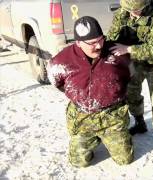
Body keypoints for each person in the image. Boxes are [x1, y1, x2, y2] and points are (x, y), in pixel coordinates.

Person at [47, 16, 134, 167]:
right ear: (78, 43)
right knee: (78, 163)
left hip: (112, 116)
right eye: (92, 43)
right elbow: (56, 81)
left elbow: (130, 75)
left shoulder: (117, 53)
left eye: (101, 39)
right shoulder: (62, 60)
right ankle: (93, 138)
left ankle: (111, 136)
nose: (99, 46)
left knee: (125, 160)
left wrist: (113, 92)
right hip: (83, 118)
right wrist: (80, 95)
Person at [107, 0, 153, 164]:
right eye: (128, 9)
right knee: (131, 92)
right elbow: (112, 36)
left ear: (144, 5)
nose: (131, 13)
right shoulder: (124, 12)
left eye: (135, 10)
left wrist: (129, 49)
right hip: (136, 61)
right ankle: (139, 122)